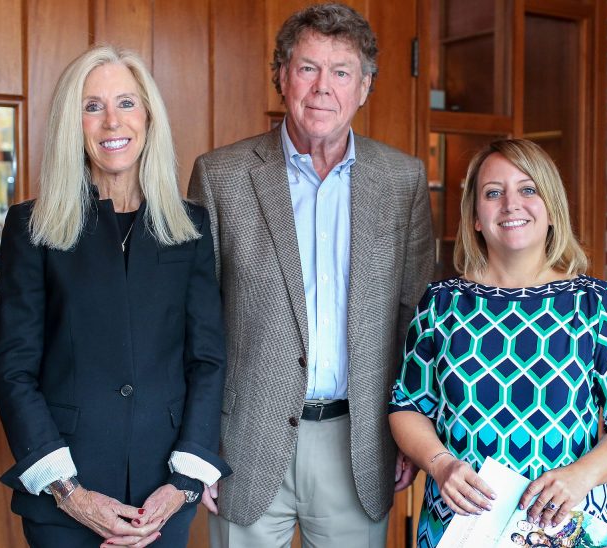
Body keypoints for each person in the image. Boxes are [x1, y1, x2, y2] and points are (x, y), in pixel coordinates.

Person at [186, 3, 433, 547]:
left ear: (364, 86)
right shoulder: (221, 175)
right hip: (242, 445)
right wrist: (195, 445)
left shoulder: (402, 180)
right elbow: (194, 322)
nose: (323, 87)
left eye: (341, 71)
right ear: (281, 76)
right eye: (307, 68)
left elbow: (414, 320)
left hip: (359, 444)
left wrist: (410, 436)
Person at [0, 44, 230, 547]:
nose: (111, 122)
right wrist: (70, 491)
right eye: (92, 106)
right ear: (71, 124)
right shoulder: (30, 228)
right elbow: (13, 370)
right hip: (65, 495)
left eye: (126, 102)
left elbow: (206, 360)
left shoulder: (189, 227)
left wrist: (184, 483)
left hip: (162, 498)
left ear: (148, 116)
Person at [389, 139, 607, 548]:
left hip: (563, 525)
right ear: (476, 217)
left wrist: (581, 476)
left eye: (528, 189)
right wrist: (439, 464)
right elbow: (407, 406)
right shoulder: (441, 303)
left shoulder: (596, 304)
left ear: (551, 208)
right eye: (493, 192)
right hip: (458, 525)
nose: (511, 204)